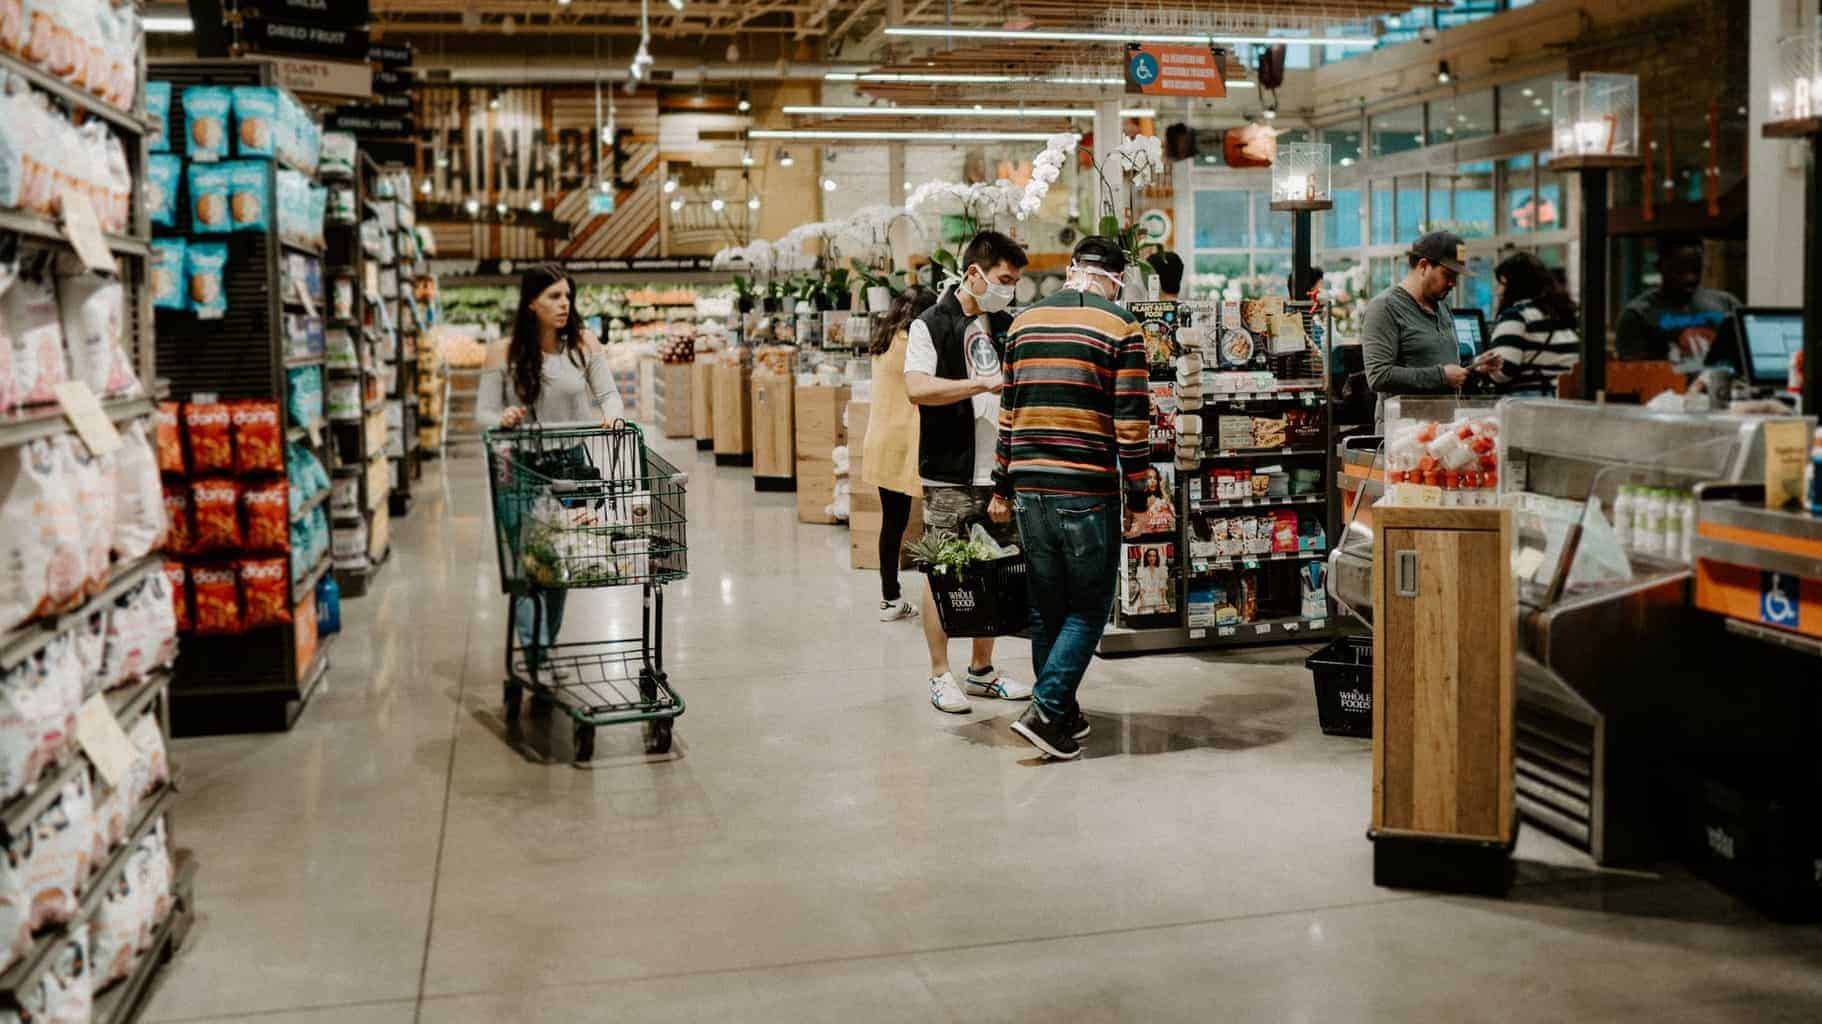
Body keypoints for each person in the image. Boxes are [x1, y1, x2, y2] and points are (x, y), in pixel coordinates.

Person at [989, 235, 1150, 760]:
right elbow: (1130, 422)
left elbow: (1007, 414)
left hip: (1028, 486)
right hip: (1085, 487)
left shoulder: (1022, 323)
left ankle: (1063, 715)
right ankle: (1046, 706)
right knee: (1088, 607)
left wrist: (999, 482)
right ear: (1117, 278)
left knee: (1046, 607)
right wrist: (1141, 495)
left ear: (1071, 269)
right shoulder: (1122, 326)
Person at [904, 231, 1033, 713]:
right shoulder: (930, 325)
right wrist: (977, 383)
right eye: (1003, 279)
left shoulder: (1008, 325)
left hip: (1000, 471)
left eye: (1015, 281)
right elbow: (917, 388)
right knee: (943, 572)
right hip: (950, 471)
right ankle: (940, 675)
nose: (1009, 289)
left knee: (994, 571)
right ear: (974, 273)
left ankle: (982, 670)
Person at [479, 264, 628, 679]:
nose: (564, 305)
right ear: (531, 303)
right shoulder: (502, 352)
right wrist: (501, 417)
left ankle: (542, 650)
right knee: (528, 567)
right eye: (554, 297)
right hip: (520, 468)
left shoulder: (584, 344)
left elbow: (610, 396)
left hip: (569, 467)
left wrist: (613, 417)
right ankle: (538, 656)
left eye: (567, 296)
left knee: (561, 563)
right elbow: (482, 413)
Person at [1361, 230, 1500, 424]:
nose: (1453, 283)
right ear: (1423, 266)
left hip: (1442, 430)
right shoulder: (1385, 308)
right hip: (1404, 433)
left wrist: (1475, 367)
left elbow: (1442, 363)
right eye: (1448, 275)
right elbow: (1379, 375)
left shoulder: (1442, 308)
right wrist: (1441, 376)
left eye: (1457, 277)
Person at [861, 285, 937, 621]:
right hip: (911, 440)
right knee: (936, 521)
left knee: (892, 523)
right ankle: (943, 597)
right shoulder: (913, 344)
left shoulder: (883, 341)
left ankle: (890, 598)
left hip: (881, 439)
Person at [1614, 236, 1742, 372]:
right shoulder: (1637, 314)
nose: (1690, 278)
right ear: (1659, 267)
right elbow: (1632, 378)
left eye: (1696, 270)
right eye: (1680, 271)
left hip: (1723, 389)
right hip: (1667, 390)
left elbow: (1748, 359)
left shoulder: (1727, 303)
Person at [1484, 251, 1580, 396]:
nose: (1498, 292)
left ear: (1516, 286)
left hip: (1531, 405)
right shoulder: (1567, 314)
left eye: (1502, 284)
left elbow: (1504, 372)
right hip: (1565, 402)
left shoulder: (1516, 316)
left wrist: (1480, 365)